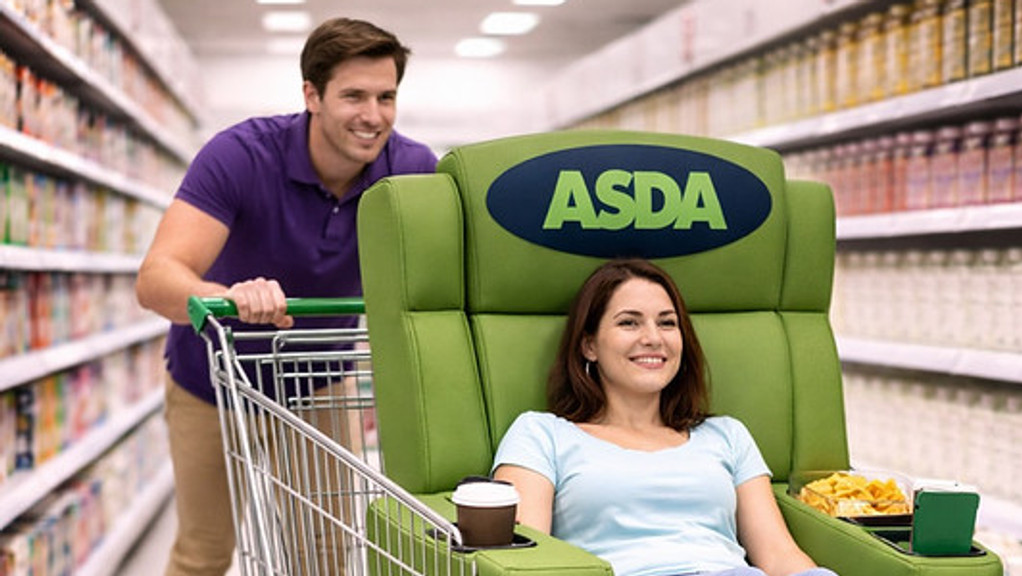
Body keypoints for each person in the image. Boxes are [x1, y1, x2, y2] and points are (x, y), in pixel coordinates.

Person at [135, 17, 437, 576]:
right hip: (213, 384)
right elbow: (156, 278)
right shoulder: (240, 156)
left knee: (322, 557)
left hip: (318, 382)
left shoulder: (412, 171)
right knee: (203, 555)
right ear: (311, 95)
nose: (373, 116)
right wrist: (225, 295)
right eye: (354, 96)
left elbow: (444, 278)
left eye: (386, 96)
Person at [492, 259, 839, 576]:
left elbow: (779, 555)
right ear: (589, 345)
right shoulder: (541, 434)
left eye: (667, 323)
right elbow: (528, 560)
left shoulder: (727, 436)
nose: (653, 338)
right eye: (629, 322)